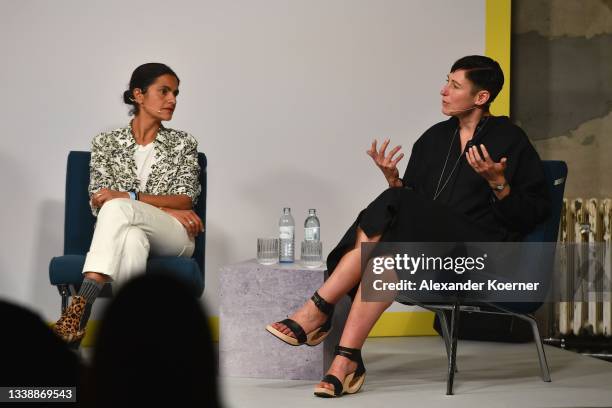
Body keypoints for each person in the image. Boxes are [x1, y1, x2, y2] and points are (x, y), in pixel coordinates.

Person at [266, 55, 551, 397]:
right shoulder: (433, 139)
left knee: (396, 211)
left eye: (455, 86)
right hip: (431, 254)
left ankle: (319, 308)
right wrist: (395, 183)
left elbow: (531, 215)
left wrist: (499, 184)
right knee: (388, 256)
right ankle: (346, 361)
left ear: (481, 97)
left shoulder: (510, 140)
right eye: (446, 81)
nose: (444, 91)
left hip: (482, 255)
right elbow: (413, 211)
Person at [53, 63, 204, 345]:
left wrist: (129, 197)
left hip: (175, 234)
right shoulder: (105, 143)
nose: (172, 100)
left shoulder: (183, 143)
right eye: (164, 91)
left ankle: (81, 305)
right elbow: (99, 201)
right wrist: (163, 206)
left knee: (119, 206)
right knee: (132, 238)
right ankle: (131, 337)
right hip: (135, 226)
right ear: (138, 94)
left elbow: (185, 198)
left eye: (175, 93)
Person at [82, 274, 221, 407]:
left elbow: (66, 394)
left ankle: (77, 315)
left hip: (175, 248)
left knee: (119, 247)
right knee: (129, 247)